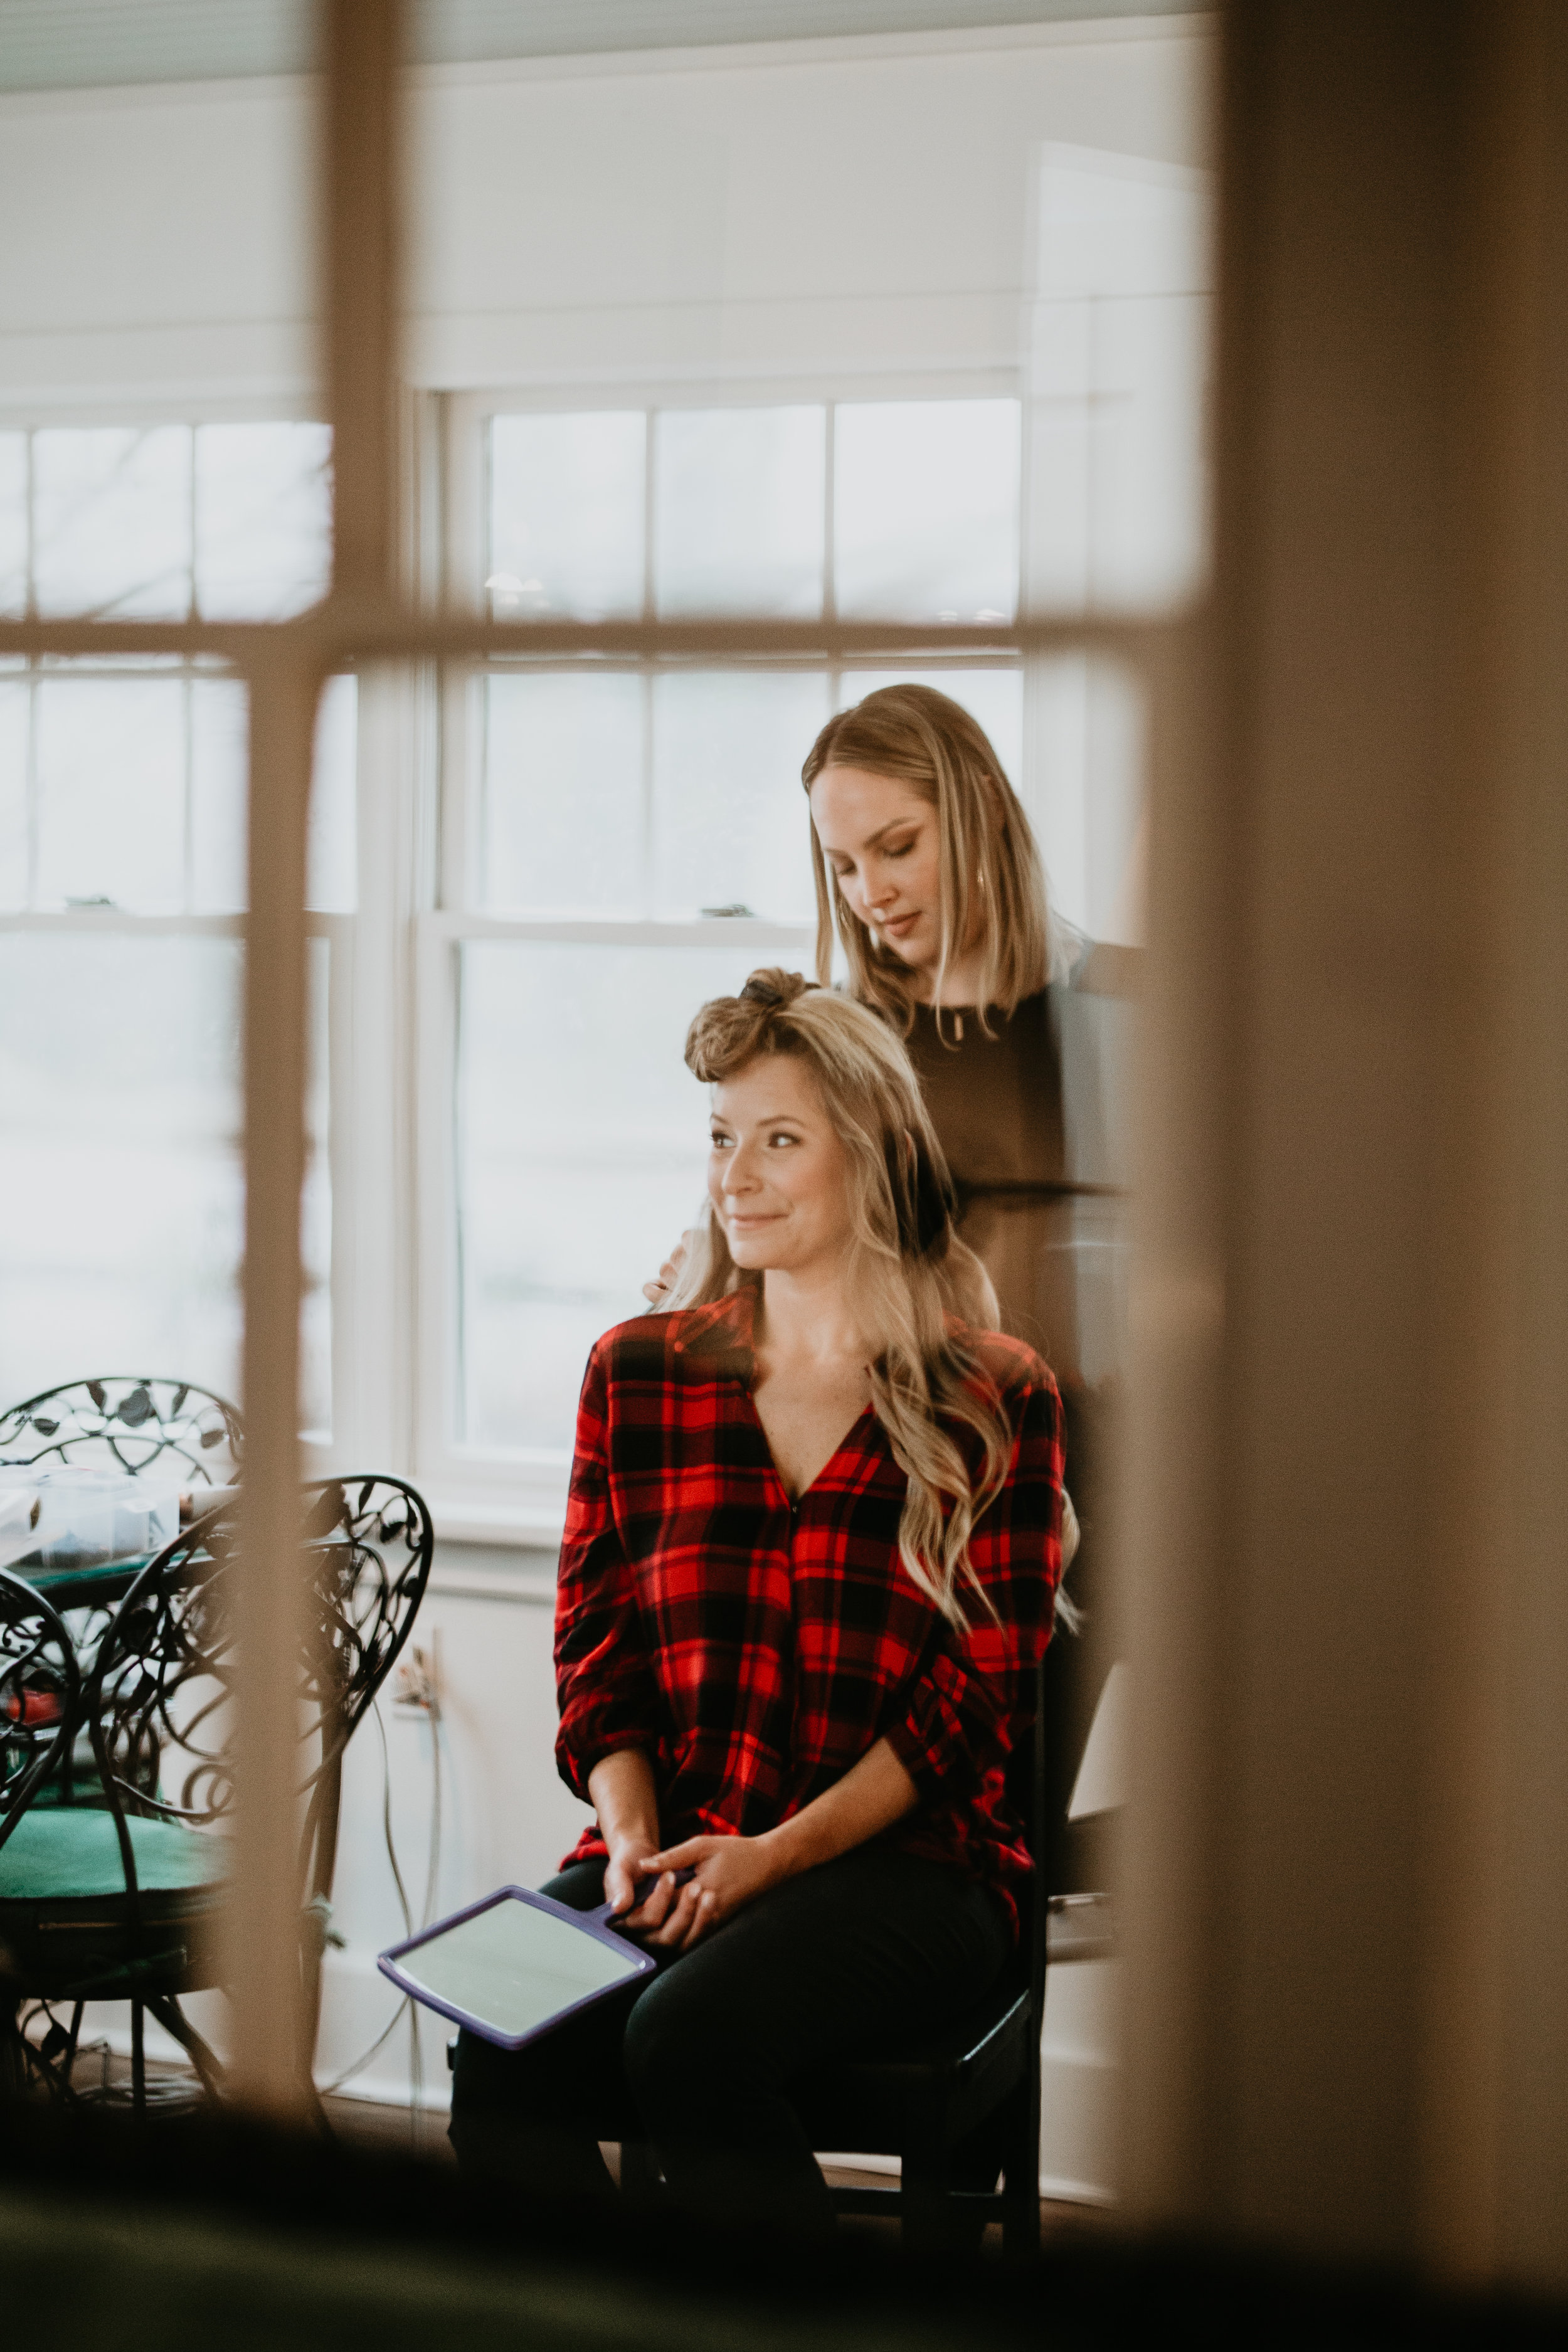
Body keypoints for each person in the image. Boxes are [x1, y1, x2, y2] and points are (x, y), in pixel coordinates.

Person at [449, 968, 1065, 2237]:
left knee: (690, 2039)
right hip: (678, 1846)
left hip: (913, 1874)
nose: (735, 1175)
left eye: (779, 1139)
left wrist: (769, 1862)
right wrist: (626, 1842)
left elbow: (970, 1704)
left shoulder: (990, 1395)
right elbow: (596, 1652)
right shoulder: (636, 1376)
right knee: (495, 2034)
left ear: (874, 1155)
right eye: (721, 1138)